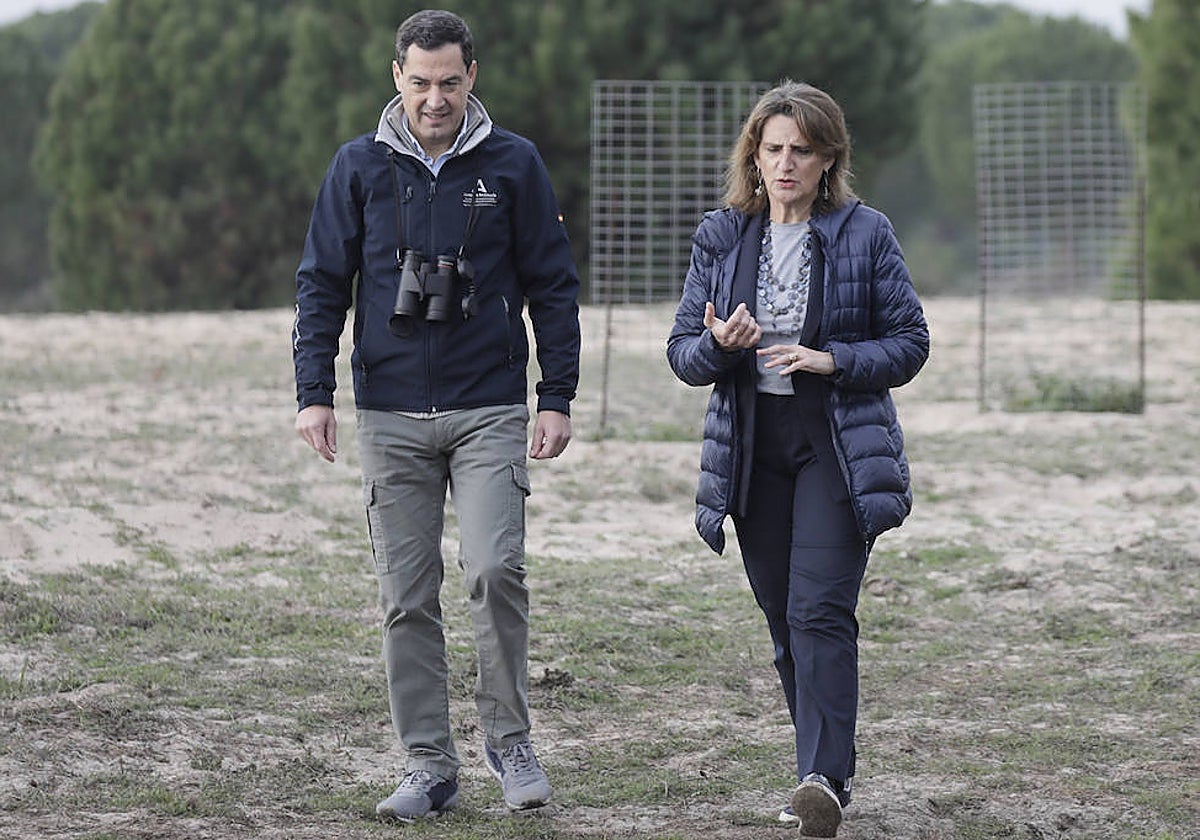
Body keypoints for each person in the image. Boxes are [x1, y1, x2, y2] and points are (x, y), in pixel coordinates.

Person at [292, 9, 580, 823]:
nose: (434, 98)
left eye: (450, 82)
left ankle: (510, 740)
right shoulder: (358, 168)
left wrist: (556, 394)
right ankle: (428, 764)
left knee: (494, 571)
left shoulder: (514, 164)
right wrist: (314, 392)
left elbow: (553, 285)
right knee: (406, 595)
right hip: (388, 412)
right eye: (419, 82)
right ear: (397, 78)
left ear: (472, 77)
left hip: (489, 405)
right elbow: (320, 284)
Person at [666, 81, 928, 837]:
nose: (784, 163)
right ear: (754, 155)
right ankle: (815, 765)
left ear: (827, 159)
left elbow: (911, 341)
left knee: (820, 610)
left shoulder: (864, 232)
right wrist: (717, 346)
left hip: (834, 446)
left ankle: (824, 780)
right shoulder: (721, 236)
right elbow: (683, 351)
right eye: (772, 148)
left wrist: (832, 358)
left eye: (801, 150)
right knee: (784, 617)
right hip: (751, 447)